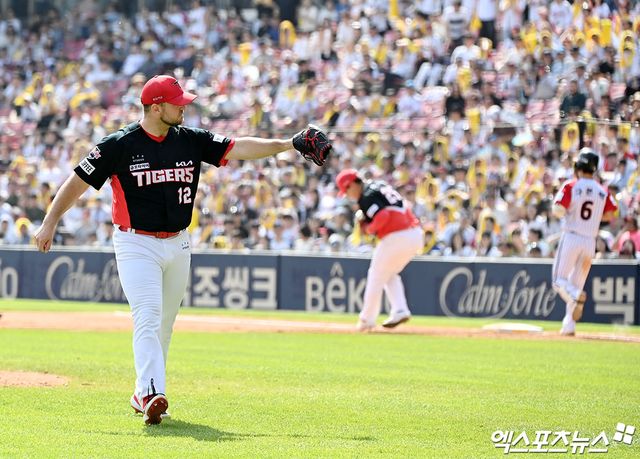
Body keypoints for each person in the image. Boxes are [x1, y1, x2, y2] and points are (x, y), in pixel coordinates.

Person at [33, 75, 330, 425]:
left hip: (178, 241)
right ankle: (151, 393)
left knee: (165, 325)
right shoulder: (119, 144)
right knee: (147, 314)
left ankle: (142, 391)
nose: (184, 107)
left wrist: (288, 143)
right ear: (156, 108)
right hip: (135, 241)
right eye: (178, 103)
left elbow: (239, 147)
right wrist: (50, 221)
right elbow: (78, 180)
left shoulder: (189, 139)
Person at [335, 169, 424, 331]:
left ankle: (366, 319)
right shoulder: (379, 185)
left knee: (376, 274)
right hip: (415, 234)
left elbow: (383, 216)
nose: (347, 195)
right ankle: (400, 310)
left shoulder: (366, 196)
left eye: (346, 190)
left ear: (353, 184)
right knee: (388, 273)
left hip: (398, 236)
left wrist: (368, 228)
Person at [552, 148, 617, 336]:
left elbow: (558, 208)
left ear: (578, 166)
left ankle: (574, 296)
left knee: (559, 281)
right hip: (590, 241)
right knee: (576, 282)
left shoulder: (572, 185)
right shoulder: (602, 190)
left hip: (571, 236)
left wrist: (568, 212)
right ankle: (569, 325)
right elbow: (612, 213)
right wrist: (595, 218)